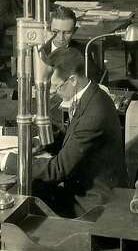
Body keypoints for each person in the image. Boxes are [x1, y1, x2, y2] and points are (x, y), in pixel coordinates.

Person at [31, 47, 126, 217]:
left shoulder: (95, 112)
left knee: (30, 191)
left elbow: (58, 169)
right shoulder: (90, 94)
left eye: (56, 86)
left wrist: (10, 162)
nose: (52, 91)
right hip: (83, 188)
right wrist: (46, 134)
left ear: (73, 80)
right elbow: (74, 138)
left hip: (92, 204)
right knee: (36, 186)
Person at [40, 6, 101, 84]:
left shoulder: (82, 51)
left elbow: (94, 80)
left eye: (67, 32)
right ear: (48, 29)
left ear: (74, 31)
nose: (61, 38)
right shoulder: (38, 50)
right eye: (55, 32)